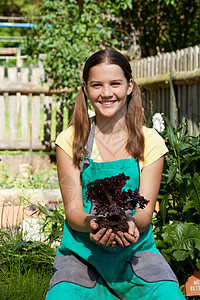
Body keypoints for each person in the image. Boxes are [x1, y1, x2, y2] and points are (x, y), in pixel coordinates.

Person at [46, 49, 186, 300]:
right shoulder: (70, 140)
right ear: (86, 89)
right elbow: (74, 210)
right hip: (82, 255)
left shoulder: (149, 141)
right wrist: (92, 223)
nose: (107, 93)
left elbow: (144, 212)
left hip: (136, 253)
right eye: (97, 85)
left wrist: (131, 225)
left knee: (168, 295)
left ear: (129, 86)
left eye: (115, 84)